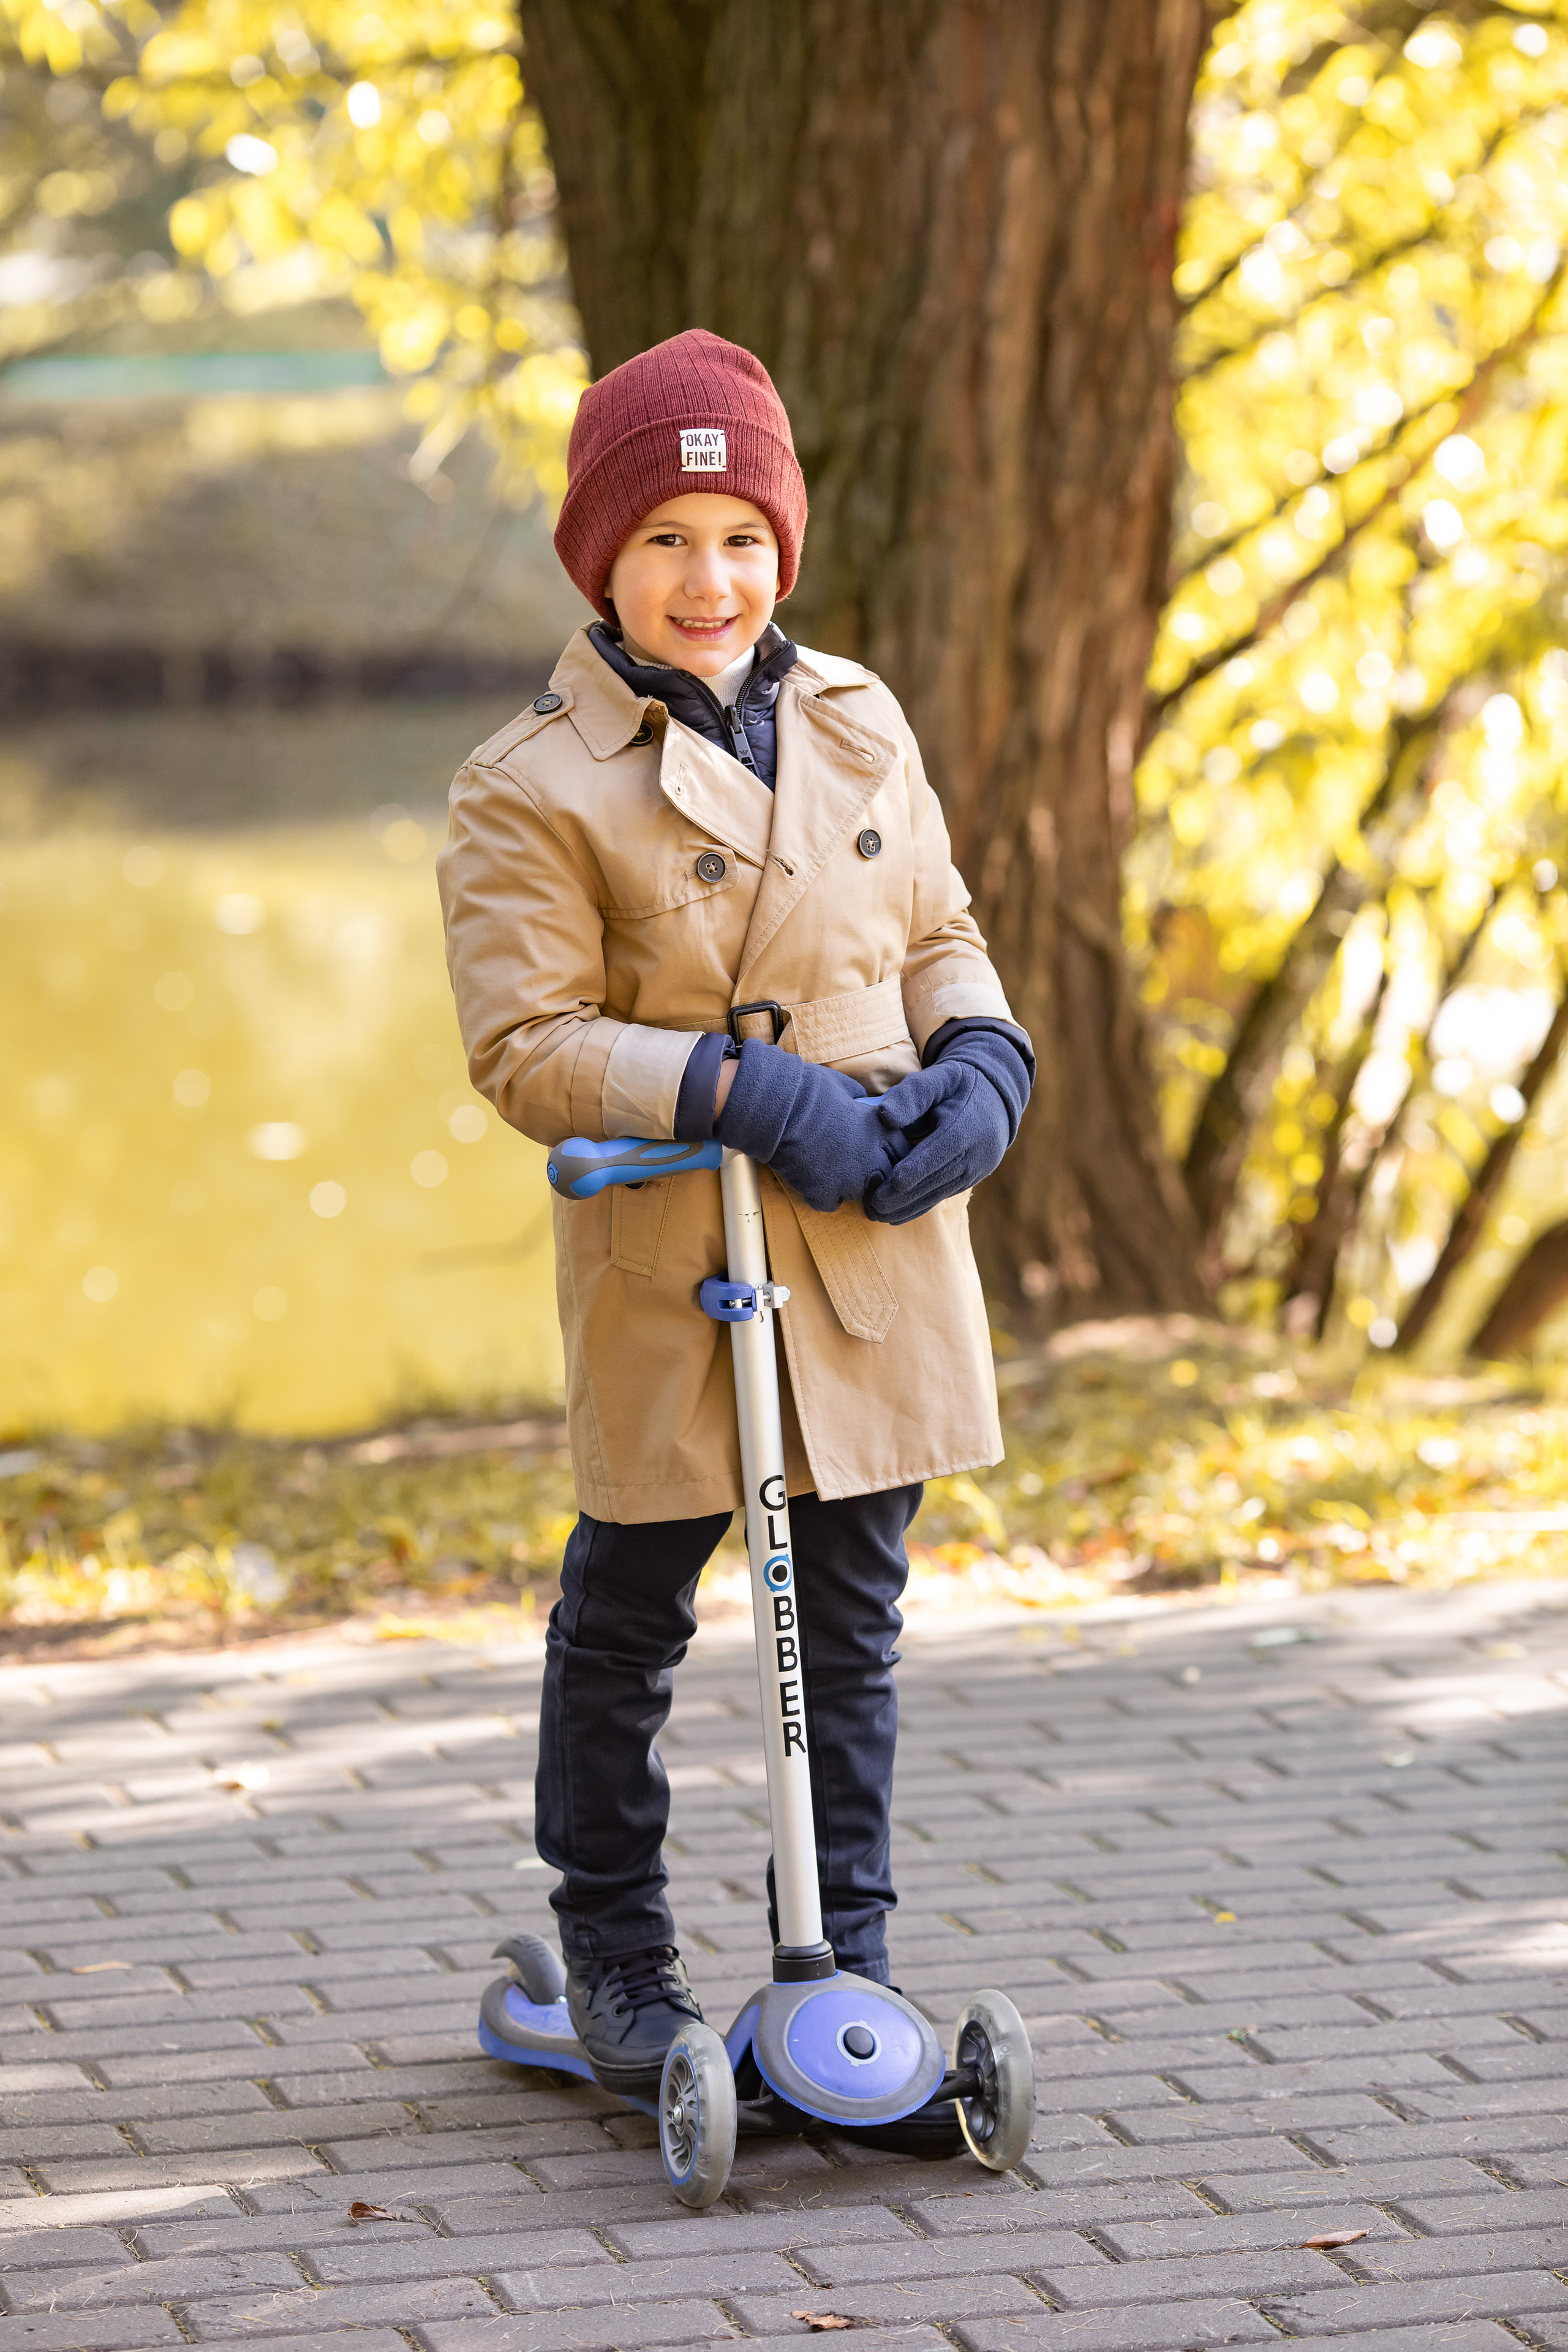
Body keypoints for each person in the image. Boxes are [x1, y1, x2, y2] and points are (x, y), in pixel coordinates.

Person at [437, 328, 1034, 2100]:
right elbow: (526, 1044)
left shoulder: (857, 715)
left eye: (744, 539)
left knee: (851, 1602)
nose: (714, 580)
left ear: (786, 547)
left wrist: (986, 1064)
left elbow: (935, 926)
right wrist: (744, 1092)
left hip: (873, 1216)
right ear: (602, 562)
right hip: (687, 1229)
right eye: (669, 540)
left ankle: (844, 1952)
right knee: (629, 1604)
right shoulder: (528, 783)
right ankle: (619, 1949)